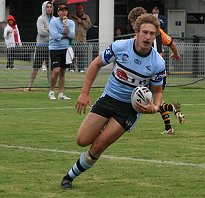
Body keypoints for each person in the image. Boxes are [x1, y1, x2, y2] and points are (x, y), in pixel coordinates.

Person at [60, 13, 165, 190]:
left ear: (155, 36)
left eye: (152, 34)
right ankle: (103, 126)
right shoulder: (119, 47)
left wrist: (154, 108)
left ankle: (69, 177)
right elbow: (95, 65)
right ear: (137, 32)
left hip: (130, 109)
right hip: (109, 98)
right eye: (145, 32)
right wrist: (85, 93)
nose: (148, 37)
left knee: (99, 144)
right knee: (82, 140)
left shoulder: (158, 63)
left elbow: (158, 91)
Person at [128, 7, 184, 135]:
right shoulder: (159, 31)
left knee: (149, 101)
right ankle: (168, 128)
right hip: (160, 72)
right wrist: (176, 54)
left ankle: (172, 108)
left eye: (132, 22)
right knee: (157, 99)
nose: (132, 26)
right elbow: (172, 44)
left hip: (148, 71)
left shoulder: (140, 36)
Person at [24, 1, 54, 91]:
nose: (49, 8)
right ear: (44, 8)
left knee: (50, 68)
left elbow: (57, 31)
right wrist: (51, 31)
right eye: (47, 7)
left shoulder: (54, 19)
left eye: (50, 7)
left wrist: (48, 30)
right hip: (41, 45)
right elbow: (41, 32)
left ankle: (50, 87)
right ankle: (29, 86)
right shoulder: (40, 19)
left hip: (51, 46)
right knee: (36, 67)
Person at [48, 3, 75, 100]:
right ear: (58, 12)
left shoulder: (71, 23)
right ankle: (51, 92)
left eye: (66, 10)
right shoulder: (53, 22)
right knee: (56, 70)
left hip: (66, 49)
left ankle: (61, 93)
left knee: (63, 72)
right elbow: (55, 36)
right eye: (62, 10)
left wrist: (66, 26)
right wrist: (65, 36)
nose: (64, 12)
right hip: (55, 49)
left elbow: (72, 35)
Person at [70, 3, 92, 72]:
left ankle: (81, 68)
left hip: (82, 39)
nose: (80, 10)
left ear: (83, 9)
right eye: (78, 8)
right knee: (71, 54)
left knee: (82, 55)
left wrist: (81, 22)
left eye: (81, 8)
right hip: (73, 39)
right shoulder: (71, 16)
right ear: (76, 9)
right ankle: (71, 68)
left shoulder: (86, 17)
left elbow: (89, 26)